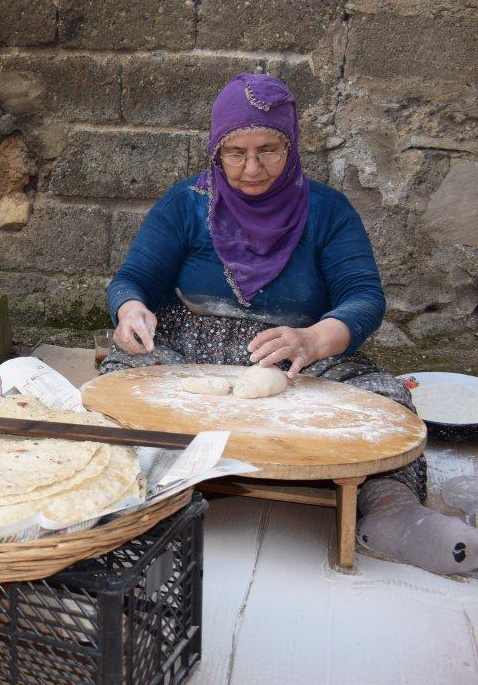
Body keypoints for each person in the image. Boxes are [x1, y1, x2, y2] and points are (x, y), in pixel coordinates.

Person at [103, 72, 478, 575]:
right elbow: (133, 279)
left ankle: (392, 512)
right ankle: (122, 492)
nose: (251, 168)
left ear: (292, 146)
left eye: (269, 150)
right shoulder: (186, 205)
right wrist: (131, 311)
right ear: (215, 150)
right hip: (190, 343)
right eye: (234, 153)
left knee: (386, 396)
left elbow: (363, 297)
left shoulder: (327, 211)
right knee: (122, 375)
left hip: (294, 352)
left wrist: (317, 337)